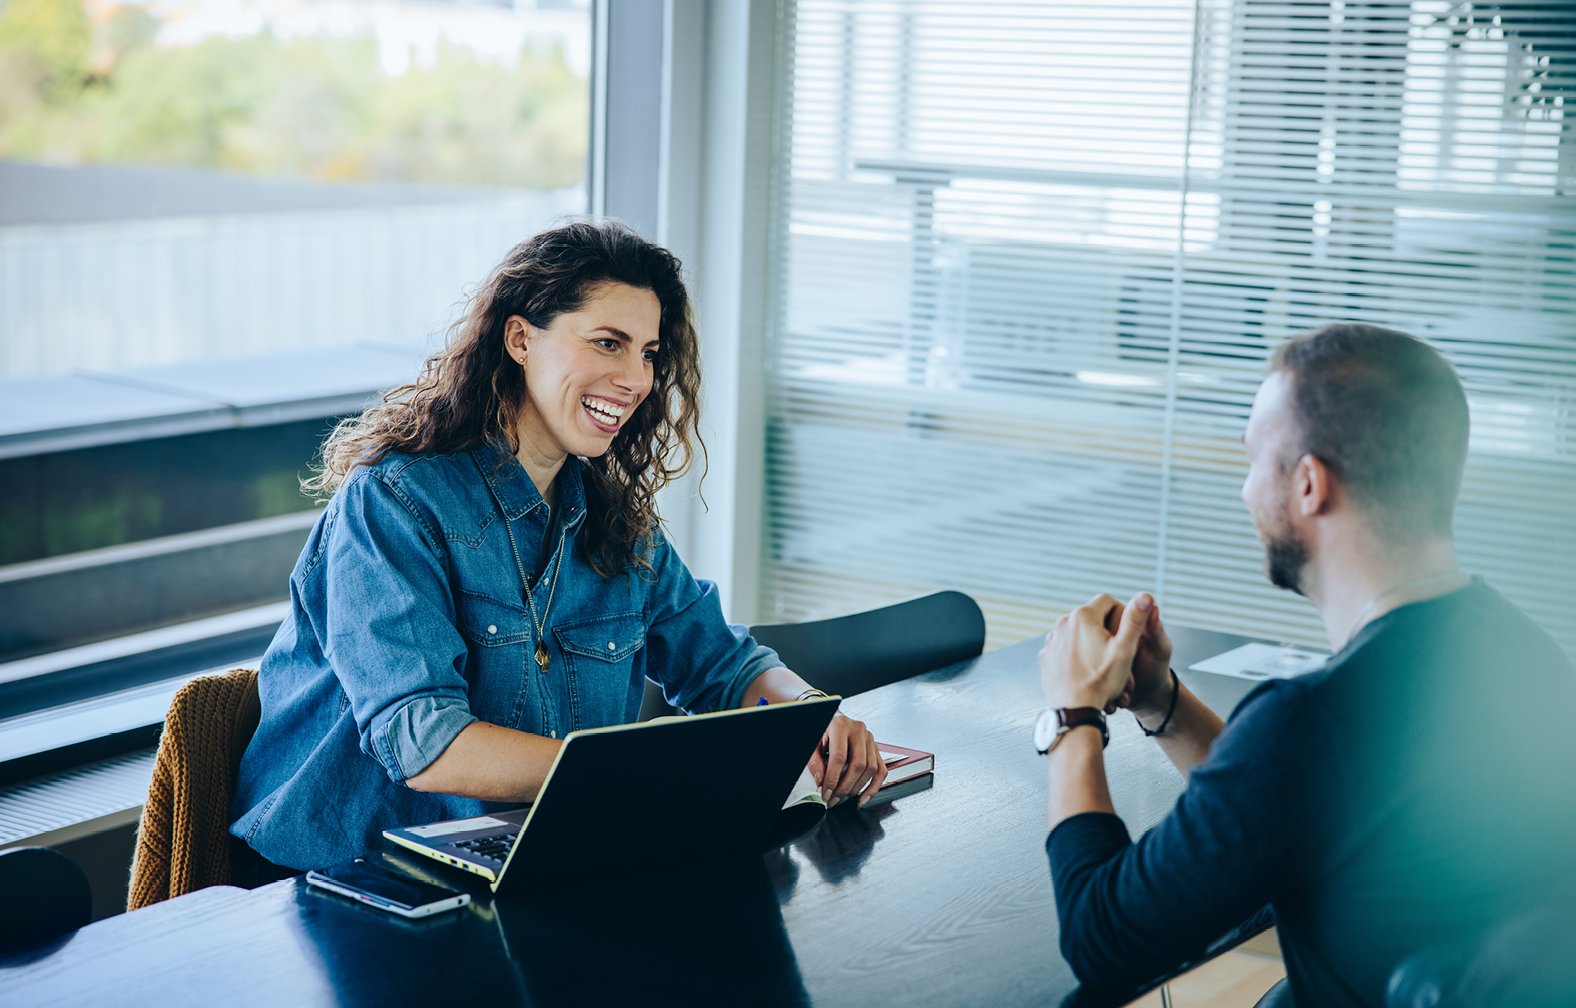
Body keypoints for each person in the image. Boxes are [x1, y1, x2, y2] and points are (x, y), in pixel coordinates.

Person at [230, 221, 887, 877]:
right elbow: (425, 743)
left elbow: (724, 664)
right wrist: (629, 778)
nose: (637, 380)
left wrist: (808, 717)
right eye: (609, 343)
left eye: (650, 354)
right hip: (343, 875)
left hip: (529, 851)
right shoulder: (396, 503)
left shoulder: (615, 521)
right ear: (521, 338)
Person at [1034, 323, 1576, 1006]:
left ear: (1310, 485)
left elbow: (1100, 938)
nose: (1243, 492)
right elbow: (1294, 803)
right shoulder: (1523, 651)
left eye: (1254, 460)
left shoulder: (1315, 719)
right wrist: (1161, 701)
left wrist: (1071, 714)